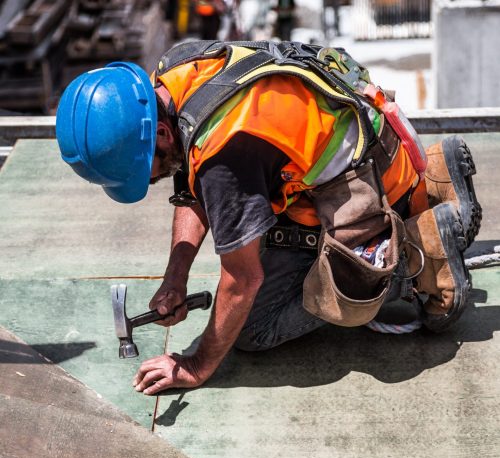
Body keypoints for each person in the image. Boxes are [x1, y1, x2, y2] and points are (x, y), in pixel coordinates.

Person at [55, 41, 481, 395]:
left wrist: (197, 365)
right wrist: (176, 276)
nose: (146, 183)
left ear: (161, 134)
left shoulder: (226, 155)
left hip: (367, 191)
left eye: (141, 172)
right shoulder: (177, 72)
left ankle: (416, 255)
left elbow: (243, 280)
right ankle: (434, 180)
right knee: (248, 235)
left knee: (255, 329)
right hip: (372, 148)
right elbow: (190, 183)